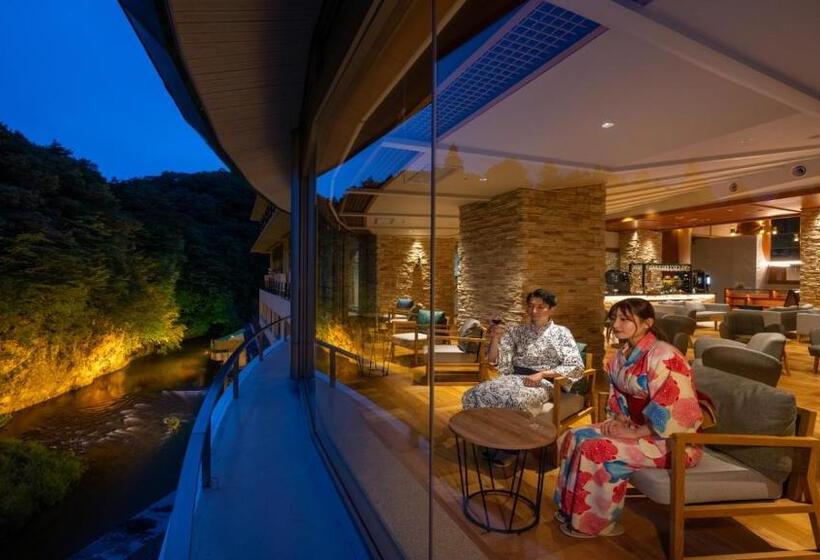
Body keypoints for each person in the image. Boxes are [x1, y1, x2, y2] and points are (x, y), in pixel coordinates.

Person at [553, 298, 703, 538]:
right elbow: (618, 395)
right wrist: (620, 419)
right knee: (574, 435)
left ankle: (594, 524)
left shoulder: (665, 355)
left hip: (672, 441)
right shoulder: (622, 354)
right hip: (636, 427)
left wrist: (636, 432)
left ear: (647, 323)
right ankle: (570, 509)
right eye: (614, 319)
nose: (615, 325)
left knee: (596, 449)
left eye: (624, 319)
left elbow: (676, 409)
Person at [461, 288, 584, 413]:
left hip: (543, 382)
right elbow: (494, 359)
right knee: (472, 394)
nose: (534, 311)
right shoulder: (517, 331)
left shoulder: (562, 333)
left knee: (514, 401)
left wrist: (542, 374)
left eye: (540, 307)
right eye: (531, 306)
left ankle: (506, 425)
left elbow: (575, 366)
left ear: (552, 309)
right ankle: (483, 425)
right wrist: (495, 338)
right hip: (514, 378)